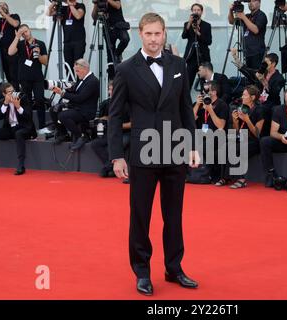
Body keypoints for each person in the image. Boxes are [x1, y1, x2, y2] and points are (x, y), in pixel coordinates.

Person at [108, 13, 199, 296]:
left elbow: (186, 108)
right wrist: (116, 156)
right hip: (143, 152)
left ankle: (174, 268)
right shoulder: (125, 69)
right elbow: (114, 116)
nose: (153, 39)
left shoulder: (179, 64)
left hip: (174, 149)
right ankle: (142, 271)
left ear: (164, 34)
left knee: (174, 215)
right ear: (140, 34)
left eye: (157, 33)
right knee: (141, 216)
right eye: (148, 34)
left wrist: (193, 146)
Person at [50, 59, 100, 151]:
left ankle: (82, 135)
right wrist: (65, 88)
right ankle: (63, 134)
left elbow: (80, 98)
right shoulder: (82, 79)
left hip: (86, 112)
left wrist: (62, 93)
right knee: (54, 110)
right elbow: (75, 92)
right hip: (77, 107)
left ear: (85, 69)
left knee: (63, 116)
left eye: (77, 71)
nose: (76, 73)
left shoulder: (93, 81)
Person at [8, 24, 48, 129]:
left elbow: (46, 62)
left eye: (26, 31)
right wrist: (17, 37)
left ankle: (42, 127)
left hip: (37, 78)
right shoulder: (20, 44)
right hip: (24, 77)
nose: (25, 34)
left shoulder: (40, 43)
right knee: (27, 102)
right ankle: (29, 127)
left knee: (40, 100)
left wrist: (38, 55)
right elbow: (10, 52)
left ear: (29, 30)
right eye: (22, 33)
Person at [91, 81, 131, 179]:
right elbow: (110, 117)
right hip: (113, 132)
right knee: (96, 144)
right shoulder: (107, 103)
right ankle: (112, 167)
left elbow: (132, 124)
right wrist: (103, 119)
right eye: (109, 89)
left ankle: (107, 167)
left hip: (127, 132)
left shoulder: (129, 104)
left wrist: (117, 125)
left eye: (113, 89)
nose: (110, 92)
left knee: (118, 143)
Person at [192, 81, 229, 185]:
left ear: (214, 92)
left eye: (207, 90)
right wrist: (197, 105)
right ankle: (190, 174)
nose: (205, 92)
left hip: (216, 136)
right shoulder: (199, 104)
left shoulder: (222, 105)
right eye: (204, 90)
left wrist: (210, 110)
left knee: (204, 145)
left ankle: (207, 175)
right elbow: (190, 119)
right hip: (201, 135)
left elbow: (221, 126)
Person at [229, 85, 265, 189]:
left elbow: (257, 133)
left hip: (254, 141)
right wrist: (235, 121)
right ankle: (225, 177)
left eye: (244, 95)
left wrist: (247, 119)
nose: (242, 97)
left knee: (241, 148)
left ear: (252, 97)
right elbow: (237, 130)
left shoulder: (260, 110)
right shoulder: (241, 108)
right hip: (242, 137)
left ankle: (242, 179)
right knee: (228, 145)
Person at [92, 0, 130, 80]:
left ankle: (117, 54)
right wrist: (96, 4)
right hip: (107, 28)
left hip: (119, 26)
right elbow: (93, 16)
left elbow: (117, 5)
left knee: (125, 39)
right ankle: (112, 77)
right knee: (110, 52)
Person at [47, 0, 86, 75]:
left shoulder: (80, 6)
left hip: (78, 42)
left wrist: (70, 5)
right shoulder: (64, 9)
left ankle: (79, 84)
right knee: (68, 66)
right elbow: (48, 13)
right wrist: (54, 2)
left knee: (78, 65)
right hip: (67, 42)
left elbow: (78, 16)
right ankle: (70, 84)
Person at [228, 0, 267, 70]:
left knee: (257, 77)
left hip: (257, 53)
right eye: (249, 1)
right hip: (247, 52)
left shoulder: (261, 15)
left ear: (259, 2)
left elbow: (256, 30)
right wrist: (231, 11)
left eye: (254, 1)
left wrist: (243, 17)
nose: (251, 3)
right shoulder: (247, 16)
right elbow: (231, 21)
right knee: (249, 76)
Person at [182, 3, 212, 89]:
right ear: (191, 12)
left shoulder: (206, 25)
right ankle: (186, 102)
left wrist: (198, 33)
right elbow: (184, 36)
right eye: (194, 10)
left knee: (205, 83)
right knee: (188, 83)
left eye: (198, 10)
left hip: (203, 57)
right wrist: (189, 23)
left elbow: (209, 41)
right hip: (191, 57)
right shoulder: (187, 24)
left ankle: (205, 100)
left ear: (202, 12)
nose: (196, 12)